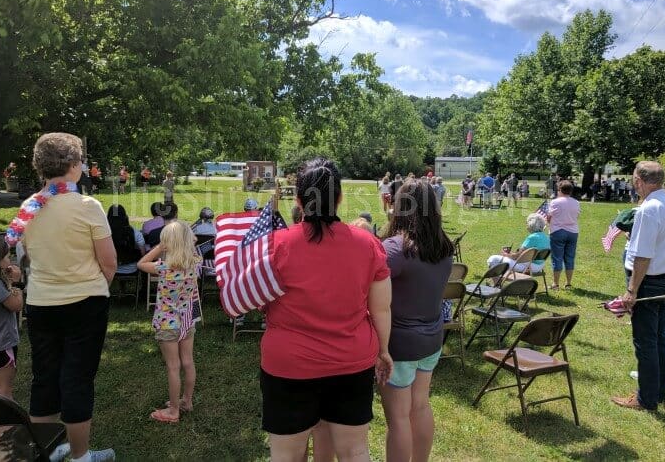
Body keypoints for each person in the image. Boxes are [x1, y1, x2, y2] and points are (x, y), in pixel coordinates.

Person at [220, 157, 393, 461]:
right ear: (339, 198)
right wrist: (384, 351)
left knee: (285, 455)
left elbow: (256, 298)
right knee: (355, 451)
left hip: (288, 366)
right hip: (351, 363)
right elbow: (381, 309)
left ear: (299, 200)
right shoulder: (368, 245)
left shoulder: (275, 245)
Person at [11, 132, 116, 462]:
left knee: (45, 377)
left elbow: (25, 255)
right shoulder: (87, 206)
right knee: (77, 378)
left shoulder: (28, 209)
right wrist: (97, 287)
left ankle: (48, 450)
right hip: (85, 302)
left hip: (41, 303)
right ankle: (81, 456)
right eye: (81, 160)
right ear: (73, 166)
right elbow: (109, 262)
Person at [380, 179, 454, 462]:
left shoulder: (396, 249)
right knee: (420, 406)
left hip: (399, 345)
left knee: (398, 418)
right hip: (432, 340)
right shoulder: (443, 246)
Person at [611, 161, 665, 411]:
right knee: (660, 340)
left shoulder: (649, 209)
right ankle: (659, 394)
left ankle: (646, 398)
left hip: (651, 282)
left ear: (638, 181)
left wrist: (631, 290)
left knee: (646, 343)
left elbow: (642, 255)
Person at [138, 221, 200, 423]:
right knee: (188, 362)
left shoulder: (163, 267)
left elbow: (141, 264)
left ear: (168, 244)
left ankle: (174, 411)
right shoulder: (195, 262)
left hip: (167, 323)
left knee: (173, 367)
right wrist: (187, 238)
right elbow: (194, 241)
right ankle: (187, 401)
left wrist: (158, 248)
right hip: (186, 321)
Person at [0, 237, 23, 398]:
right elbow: (16, 306)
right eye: (7, 257)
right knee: (3, 392)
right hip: (0, 346)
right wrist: (16, 284)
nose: (10, 260)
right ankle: (5, 423)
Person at [547, 180, 580, 289]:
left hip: (557, 231)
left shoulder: (555, 202)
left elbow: (549, 217)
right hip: (573, 232)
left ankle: (555, 284)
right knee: (570, 258)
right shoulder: (576, 202)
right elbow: (577, 216)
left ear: (560, 190)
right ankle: (568, 283)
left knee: (557, 258)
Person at [107, 205, 145, 274]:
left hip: (108, 268)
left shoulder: (103, 234)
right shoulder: (135, 233)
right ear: (125, 217)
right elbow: (143, 253)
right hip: (131, 268)